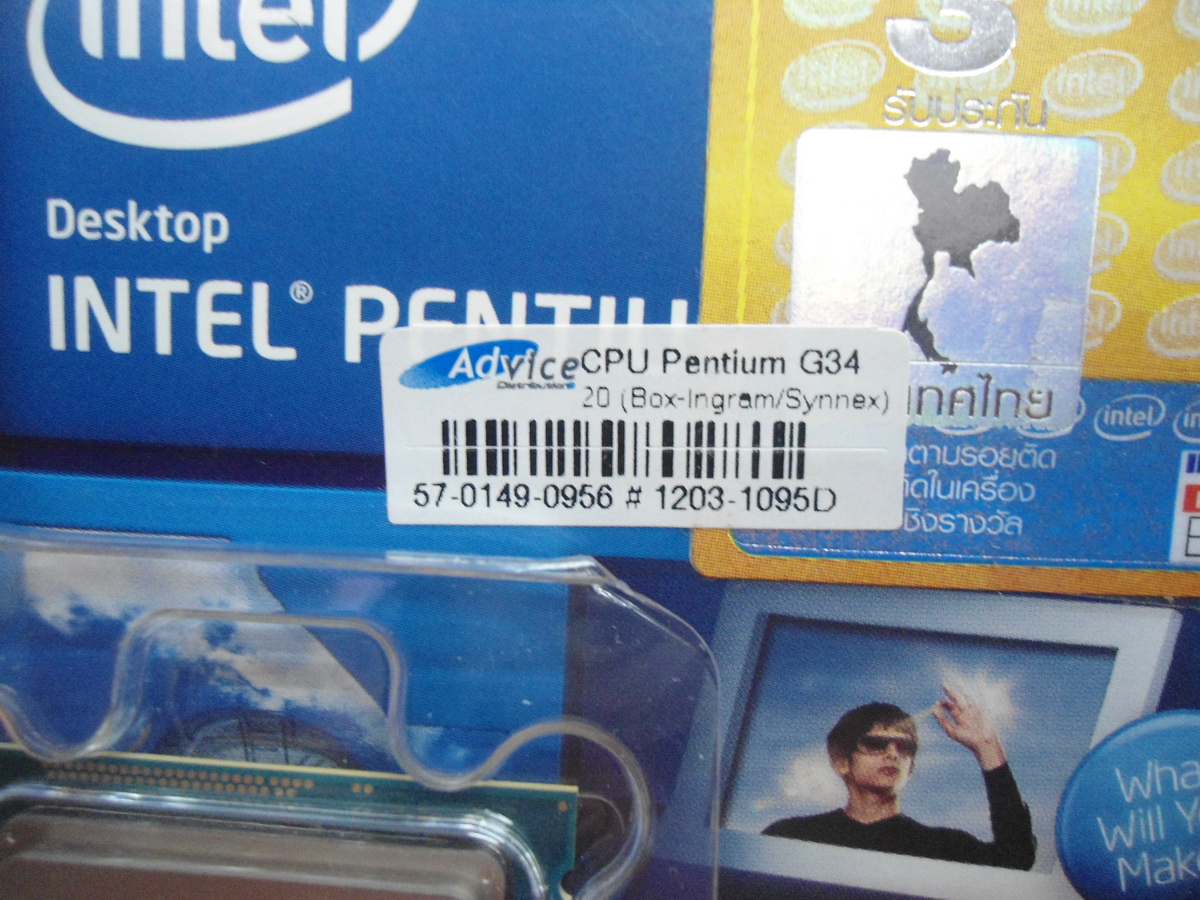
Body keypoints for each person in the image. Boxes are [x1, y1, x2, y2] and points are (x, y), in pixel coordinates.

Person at [762, 687, 1036, 870]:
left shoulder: (944, 847)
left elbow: (1016, 861)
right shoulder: (790, 837)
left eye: (904, 747)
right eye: (876, 744)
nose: (892, 754)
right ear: (841, 761)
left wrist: (987, 747)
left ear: (911, 767)